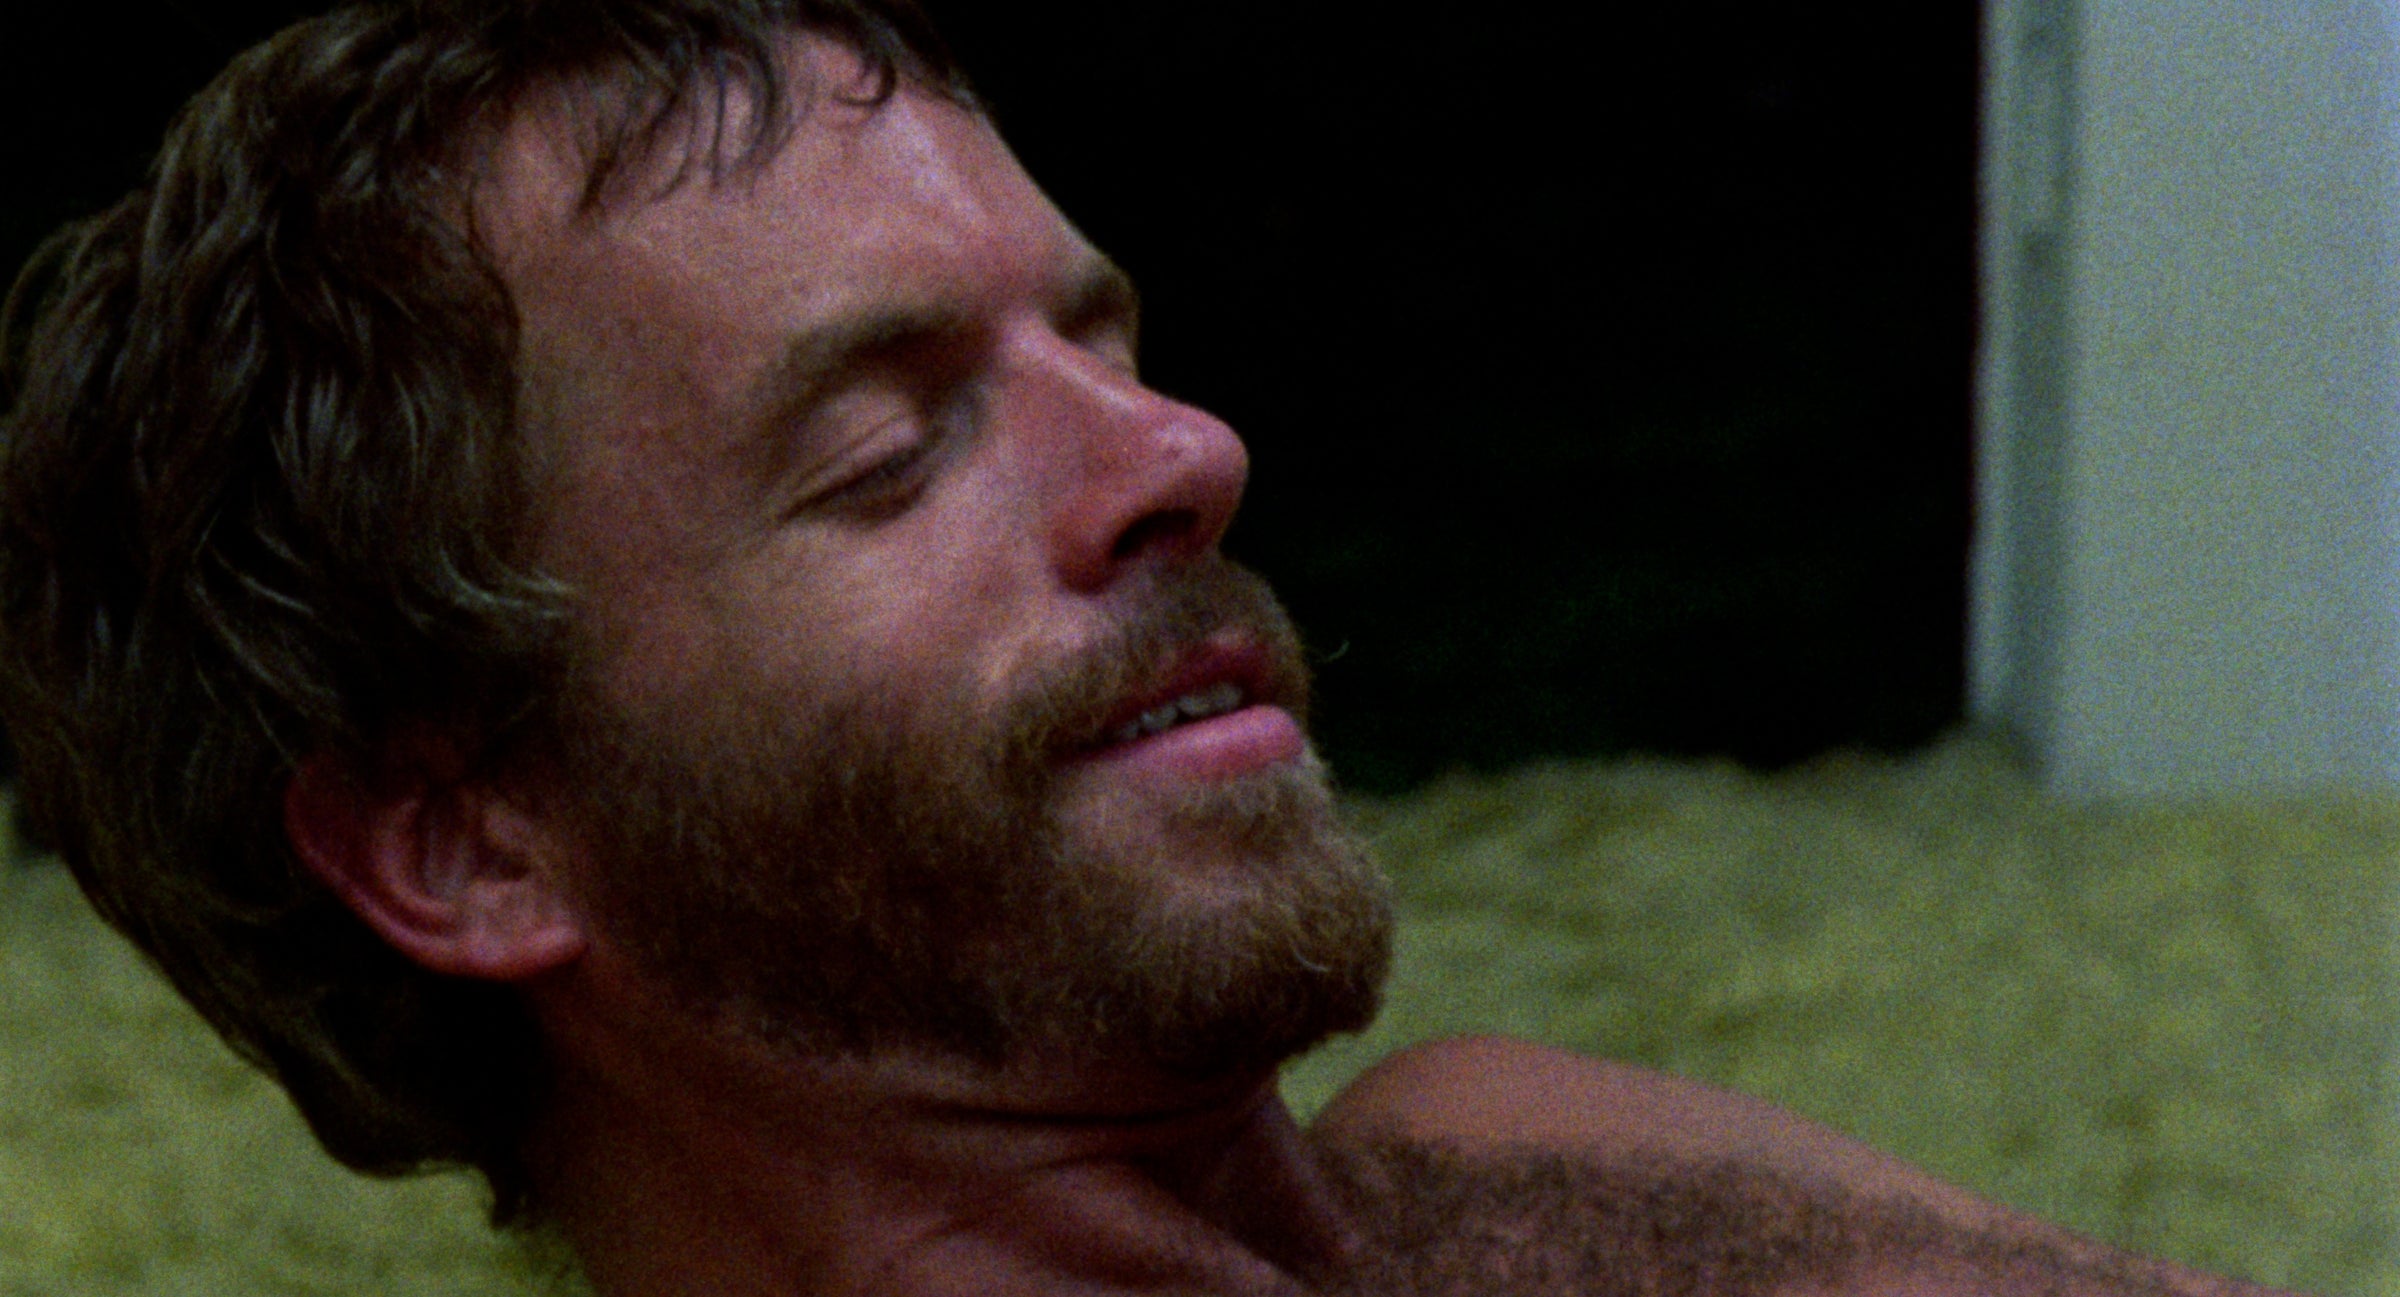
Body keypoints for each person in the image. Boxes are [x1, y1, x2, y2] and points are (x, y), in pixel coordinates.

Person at [0, 2, 2295, 1294]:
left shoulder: (1512, 1154)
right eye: (885, 449)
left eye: (1104, 346)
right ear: (469, 842)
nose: (1189, 451)